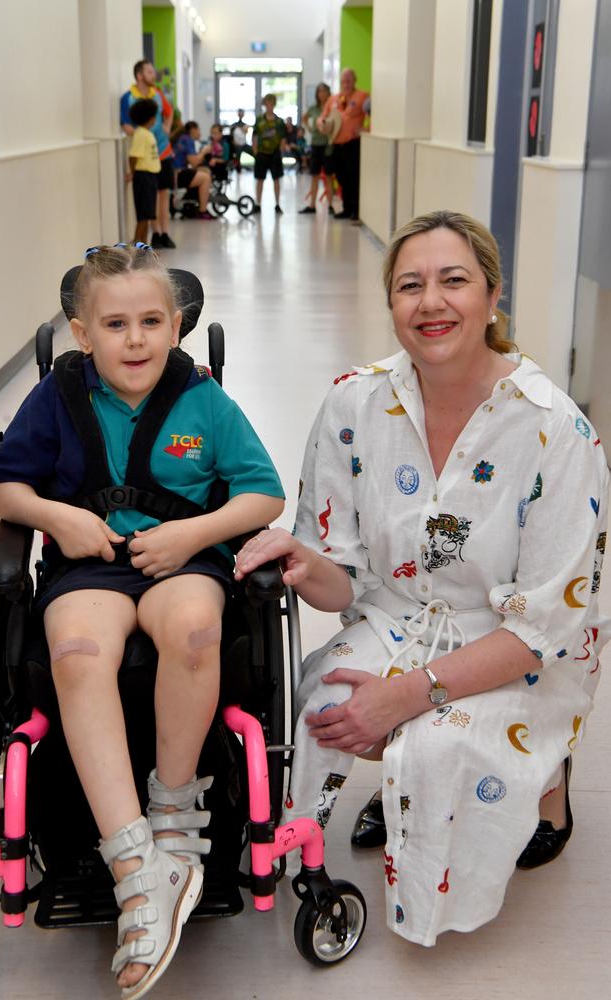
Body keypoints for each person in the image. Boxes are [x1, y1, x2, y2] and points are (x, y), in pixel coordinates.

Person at [235, 210, 610, 947]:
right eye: (410, 285)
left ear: (493, 296)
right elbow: (345, 585)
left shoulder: (555, 431)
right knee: (328, 698)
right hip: (398, 615)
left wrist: (402, 699)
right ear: (391, 303)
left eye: (454, 281)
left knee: (437, 743)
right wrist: (308, 565)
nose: (430, 302)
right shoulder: (355, 402)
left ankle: (544, 789)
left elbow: (542, 631)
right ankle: (411, 786)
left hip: (510, 644)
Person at [0, 243, 285, 997]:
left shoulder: (205, 401)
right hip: (89, 563)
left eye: (152, 321)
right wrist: (57, 515)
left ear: (177, 326)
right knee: (78, 651)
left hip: (181, 558)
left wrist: (193, 533)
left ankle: (174, 821)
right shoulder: (56, 398)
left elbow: (264, 495)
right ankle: (134, 862)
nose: (136, 339)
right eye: (115, 324)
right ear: (82, 334)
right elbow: (3, 490)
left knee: (192, 629)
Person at [121, 59, 176, 248]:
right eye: (150, 72)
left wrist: (167, 128)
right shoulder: (128, 97)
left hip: (162, 153)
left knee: (163, 195)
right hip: (145, 166)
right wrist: (138, 134)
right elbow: (126, 124)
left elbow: (169, 113)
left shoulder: (158, 94)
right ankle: (147, 240)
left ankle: (163, 233)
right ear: (139, 75)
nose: (154, 75)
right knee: (146, 209)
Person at [318, 68, 369, 222]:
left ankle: (356, 209)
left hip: (353, 144)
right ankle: (346, 208)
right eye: (343, 81)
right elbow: (322, 118)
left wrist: (366, 129)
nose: (346, 83)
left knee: (354, 177)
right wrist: (321, 124)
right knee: (341, 177)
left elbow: (376, 115)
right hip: (336, 145)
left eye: (349, 80)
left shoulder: (363, 96)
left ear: (354, 80)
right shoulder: (333, 99)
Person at [126, 99, 161, 245]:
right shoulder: (141, 134)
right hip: (143, 177)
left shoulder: (147, 133)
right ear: (150, 117)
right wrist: (132, 173)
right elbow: (133, 156)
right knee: (143, 216)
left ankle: (143, 247)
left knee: (147, 216)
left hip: (150, 177)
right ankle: (137, 246)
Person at [299, 83, 335, 215]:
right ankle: (312, 205)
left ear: (328, 92)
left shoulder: (332, 108)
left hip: (328, 145)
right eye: (319, 92)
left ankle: (331, 205)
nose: (322, 94)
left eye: (324, 91)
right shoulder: (313, 109)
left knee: (329, 176)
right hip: (315, 144)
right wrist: (309, 128)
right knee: (314, 175)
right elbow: (304, 118)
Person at [172, 121, 215, 220]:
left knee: (204, 171)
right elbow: (194, 162)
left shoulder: (182, 138)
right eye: (198, 130)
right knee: (206, 178)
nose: (200, 133)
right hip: (177, 174)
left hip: (176, 172)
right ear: (193, 130)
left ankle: (193, 201)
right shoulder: (187, 140)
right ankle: (202, 211)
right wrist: (204, 151)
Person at [252, 94, 287, 215]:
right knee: (260, 179)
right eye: (267, 103)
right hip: (261, 153)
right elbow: (255, 136)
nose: (269, 106)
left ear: (274, 104)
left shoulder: (279, 122)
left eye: (271, 103)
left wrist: (281, 150)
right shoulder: (259, 120)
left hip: (275, 153)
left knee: (276, 179)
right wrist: (255, 150)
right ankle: (258, 204)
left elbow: (283, 137)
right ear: (264, 104)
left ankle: (277, 204)